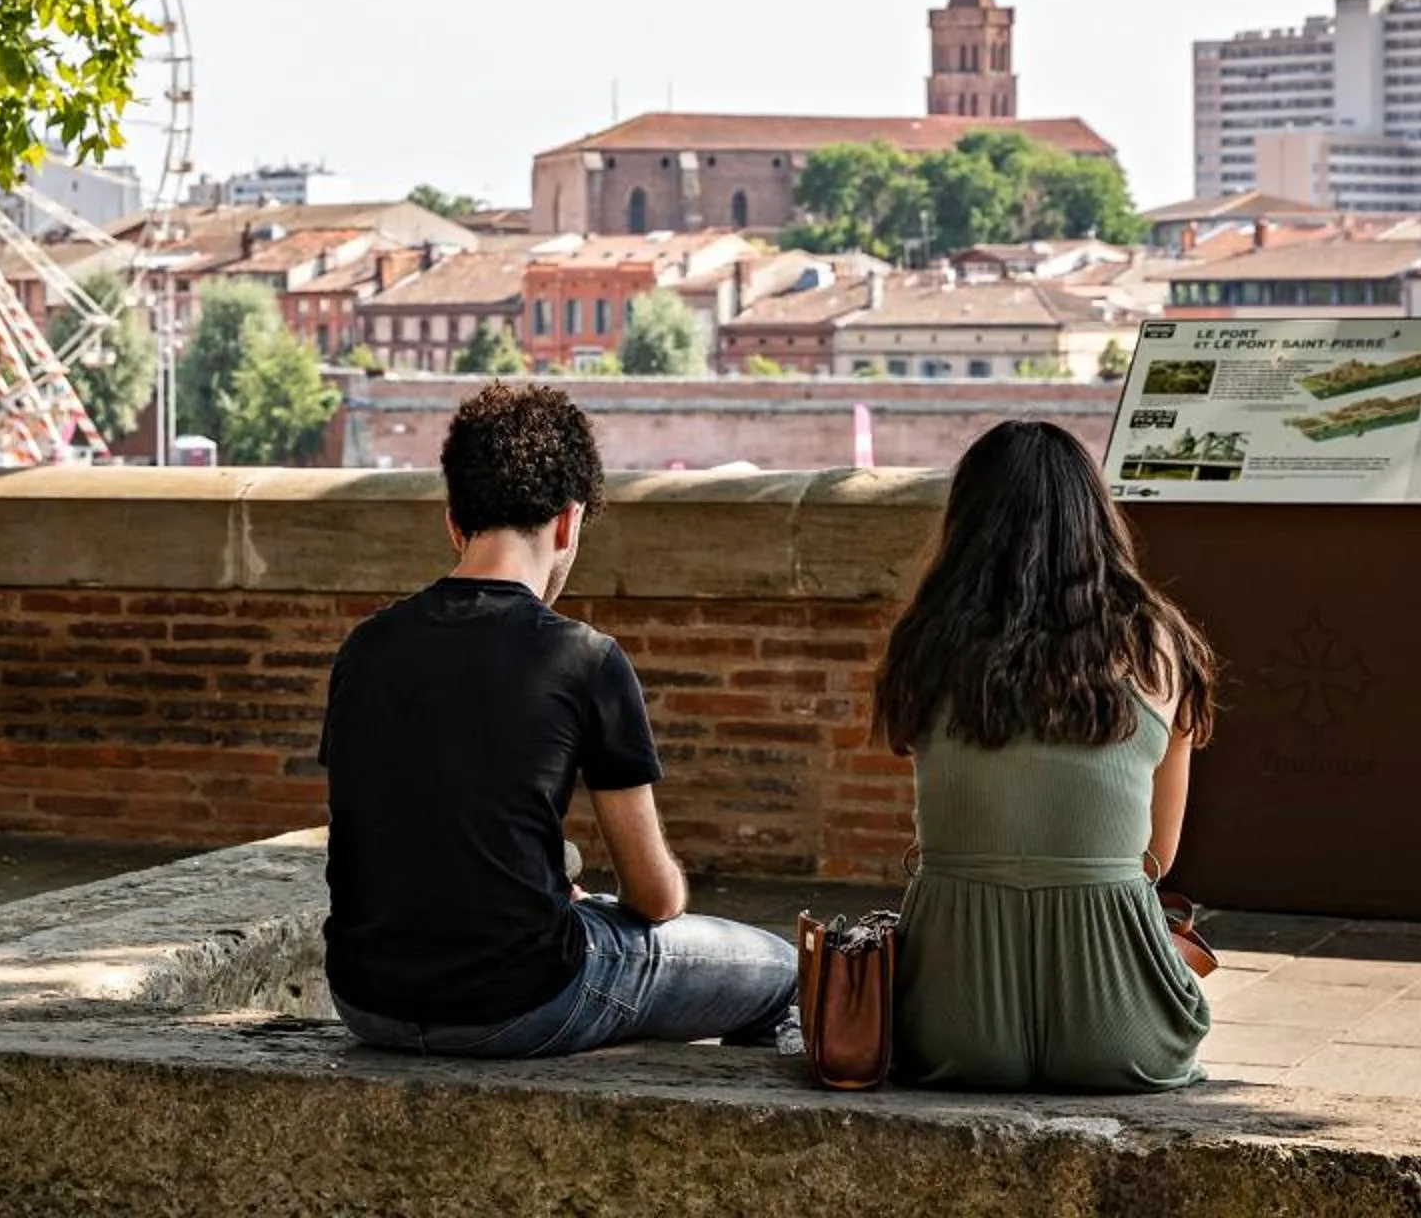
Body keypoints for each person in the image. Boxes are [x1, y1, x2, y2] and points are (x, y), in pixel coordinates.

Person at [320, 381, 796, 1057]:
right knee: (781, 970)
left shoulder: (365, 648)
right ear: (569, 522)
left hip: (365, 1000)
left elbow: (398, 831)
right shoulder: (584, 659)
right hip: (519, 1000)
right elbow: (656, 899)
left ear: (454, 522)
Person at [874, 419, 1219, 1090]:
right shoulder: (1158, 644)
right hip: (1123, 1031)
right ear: (1096, 516)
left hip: (947, 1028)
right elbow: (1158, 857)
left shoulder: (927, 647)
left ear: (967, 523)